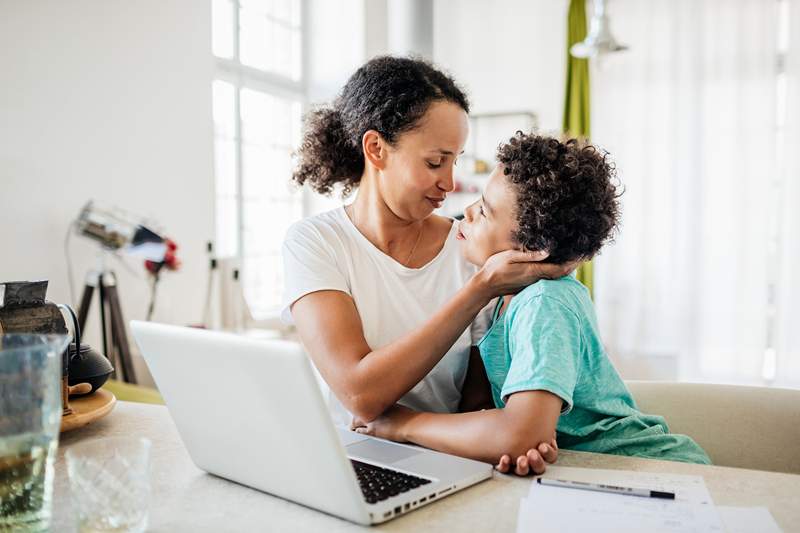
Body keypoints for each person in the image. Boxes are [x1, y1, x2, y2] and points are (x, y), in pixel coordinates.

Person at [282, 57, 572, 475]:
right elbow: (359, 395)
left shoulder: (471, 249)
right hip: (346, 460)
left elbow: (479, 399)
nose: (450, 183)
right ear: (376, 149)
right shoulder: (315, 243)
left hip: (447, 462)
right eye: (436, 162)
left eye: (456, 160)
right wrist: (478, 292)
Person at [352, 133, 711, 466]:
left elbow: (520, 434)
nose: (468, 213)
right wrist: (508, 439)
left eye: (487, 211)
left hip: (653, 472)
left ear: (535, 249)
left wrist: (403, 424)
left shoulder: (544, 303)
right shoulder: (505, 301)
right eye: (478, 200)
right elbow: (511, 431)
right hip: (590, 474)